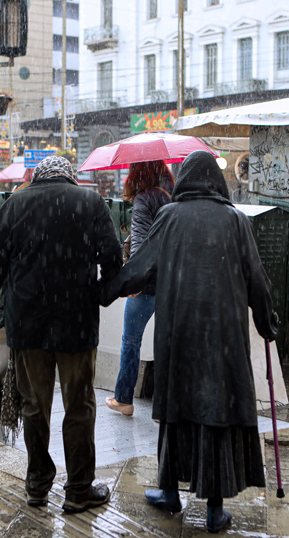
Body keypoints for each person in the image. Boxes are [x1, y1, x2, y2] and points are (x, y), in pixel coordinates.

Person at [102, 151, 279, 534]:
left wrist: (105, 290)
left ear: (184, 181)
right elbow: (258, 281)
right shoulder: (235, 220)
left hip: (178, 333)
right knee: (216, 412)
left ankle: (169, 490)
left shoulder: (169, 217)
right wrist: (267, 324)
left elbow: (140, 267)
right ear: (217, 181)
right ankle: (214, 508)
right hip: (224, 337)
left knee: (177, 408)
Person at [0, 156, 123, 513]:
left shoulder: (15, 203)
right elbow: (112, 257)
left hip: (28, 325)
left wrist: (18, 297)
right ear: (69, 177)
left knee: (35, 406)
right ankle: (78, 489)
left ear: (37, 177)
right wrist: (96, 293)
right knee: (79, 405)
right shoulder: (90, 202)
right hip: (76, 322)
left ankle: (37, 485)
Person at [105, 160, 174, 417]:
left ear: (137, 174)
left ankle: (124, 399)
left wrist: (134, 281)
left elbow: (140, 247)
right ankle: (168, 404)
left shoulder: (145, 199)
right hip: (171, 283)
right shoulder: (173, 197)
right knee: (170, 342)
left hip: (147, 286)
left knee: (131, 340)